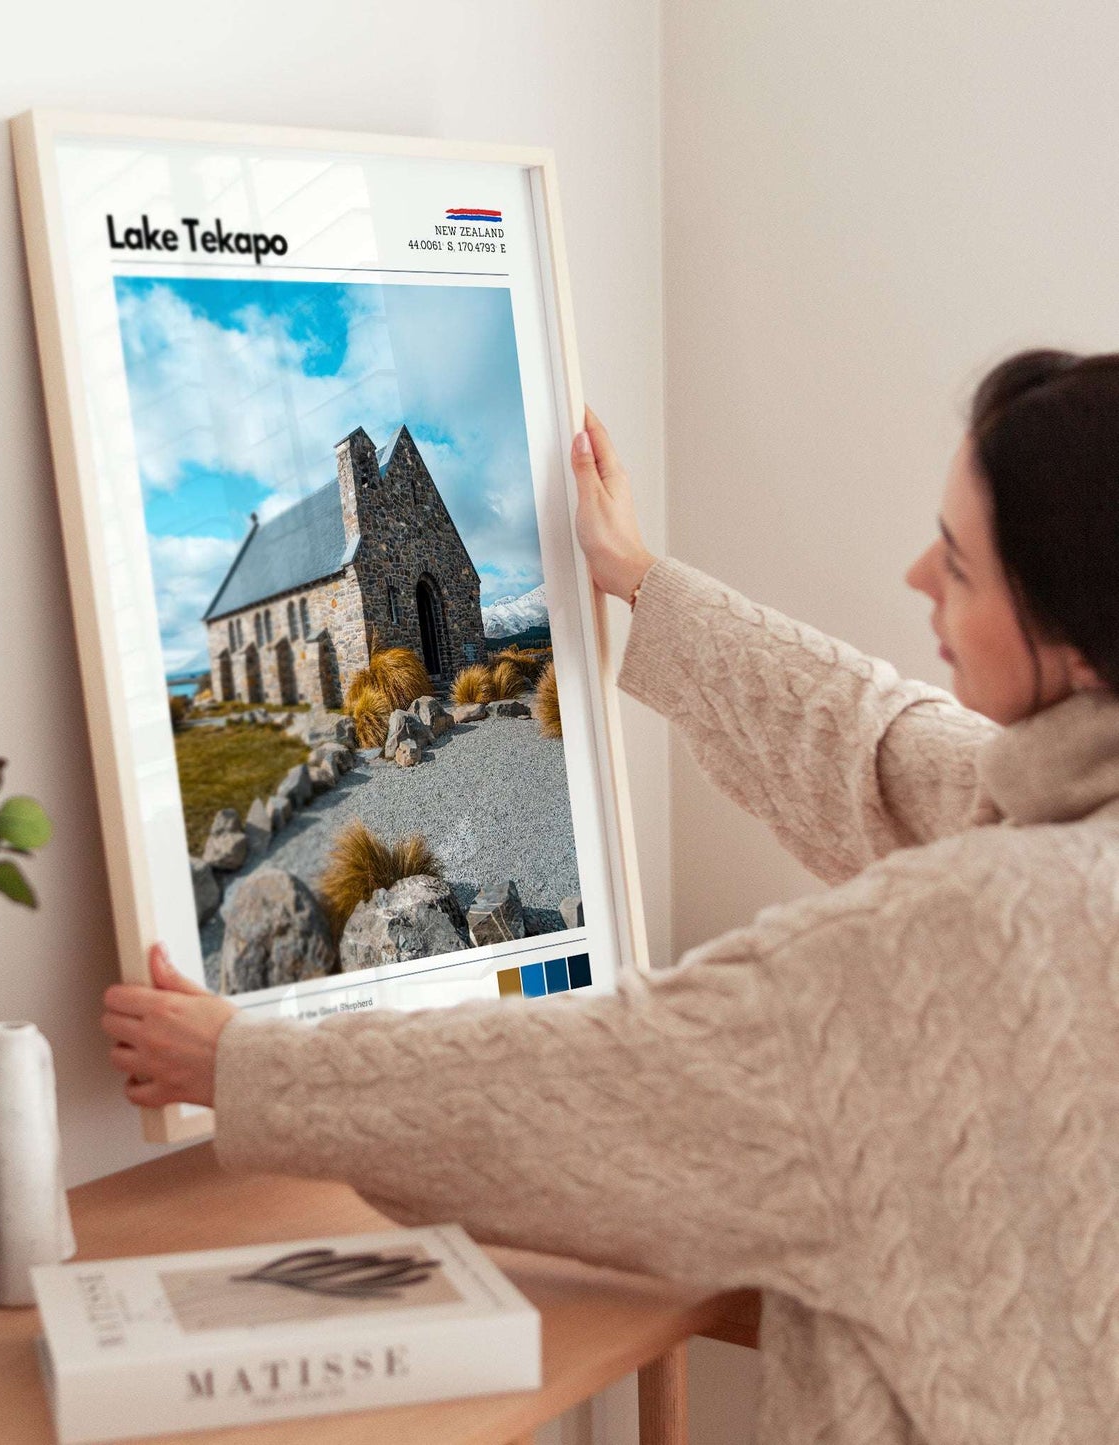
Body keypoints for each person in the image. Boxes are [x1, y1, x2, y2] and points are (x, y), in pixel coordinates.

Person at [101, 349, 1119, 1442]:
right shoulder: (1066, 813)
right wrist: (637, 576)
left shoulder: (957, 941)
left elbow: (596, 1086)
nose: (918, 574)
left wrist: (240, 1063)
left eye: (959, 565)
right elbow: (877, 746)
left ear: (1070, 638)